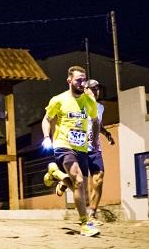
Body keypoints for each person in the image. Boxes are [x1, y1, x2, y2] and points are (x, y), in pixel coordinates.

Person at [41, 66, 100, 237]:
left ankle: (56, 175)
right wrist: (46, 136)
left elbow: (95, 121)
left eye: (84, 80)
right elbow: (47, 119)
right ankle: (85, 224)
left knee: (79, 186)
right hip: (63, 144)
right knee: (79, 181)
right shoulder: (58, 100)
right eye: (78, 80)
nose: (82, 83)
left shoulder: (89, 102)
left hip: (81, 148)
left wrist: (95, 140)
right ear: (69, 81)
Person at [84, 79, 115, 225]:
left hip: (95, 149)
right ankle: (61, 180)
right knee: (77, 180)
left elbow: (97, 124)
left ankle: (92, 214)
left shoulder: (100, 108)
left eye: (98, 88)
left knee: (99, 178)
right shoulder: (78, 105)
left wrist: (106, 133)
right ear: (85, 90)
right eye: (93, 88)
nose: (96, 91)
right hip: (79, 148)